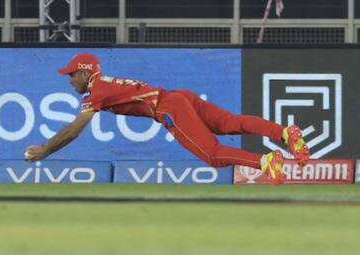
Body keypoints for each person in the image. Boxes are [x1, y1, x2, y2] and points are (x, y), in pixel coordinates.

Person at [24, 53, 310, 184]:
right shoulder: (102, 84)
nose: (69, 79)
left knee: (212, 155)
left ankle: (265, 162)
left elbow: (74, 130)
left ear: (85, 72)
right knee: (229, 123)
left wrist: (45, 150)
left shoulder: (96, 89)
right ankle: (285, 133)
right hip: (177, 96)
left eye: (71, 74)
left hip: (169, 107)